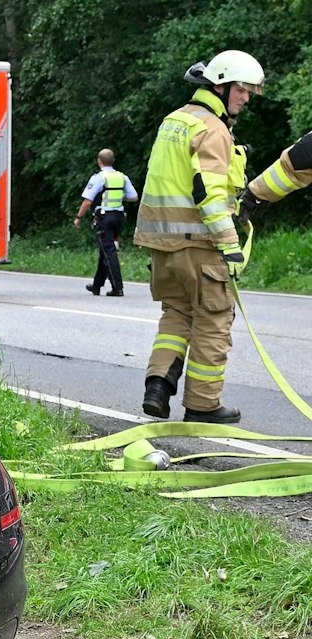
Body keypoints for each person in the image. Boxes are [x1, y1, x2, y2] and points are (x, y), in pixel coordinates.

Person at [135, 50, 263, 423]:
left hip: (161, 244)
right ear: (220, 85)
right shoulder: (213, 129)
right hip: (198, 243)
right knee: (214, 318)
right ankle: (204, 405)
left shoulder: (175, 120)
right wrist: (230, 245)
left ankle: (157, 387)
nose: (247, 97)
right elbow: (206, 191)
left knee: (176, 313)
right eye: (242, 89)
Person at [75, 149, 136, 296]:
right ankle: (96, 285)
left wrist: (78, 217)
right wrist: (119, 198)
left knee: (109, 251)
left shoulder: (99, 178)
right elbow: (133, 196)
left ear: (99, 161)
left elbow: (88, 201)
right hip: (119, 217)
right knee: (106, 250)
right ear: (112, 160)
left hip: (104, 218)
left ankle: (117, 287)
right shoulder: (122, 177)